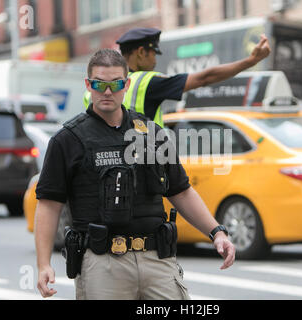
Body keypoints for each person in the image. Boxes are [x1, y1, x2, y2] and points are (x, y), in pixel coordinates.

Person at [35, 48, 235, 300]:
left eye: (115, 84)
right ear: (88, 84)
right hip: (102, 263)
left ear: (126, 84)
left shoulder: (152, 133)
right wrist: (43, 264)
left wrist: (217, 232)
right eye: (99, 84)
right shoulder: (68, 139)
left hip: (157, 260)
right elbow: (49, 204)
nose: (107, 91)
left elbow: (180, 191)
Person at [83, 27, 271, 127]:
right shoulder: (147, 82)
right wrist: (250, 61)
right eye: (153, 54)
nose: (155, 62)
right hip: (142, 169)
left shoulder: (94, 88)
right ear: (141, 52)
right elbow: (205, 77)